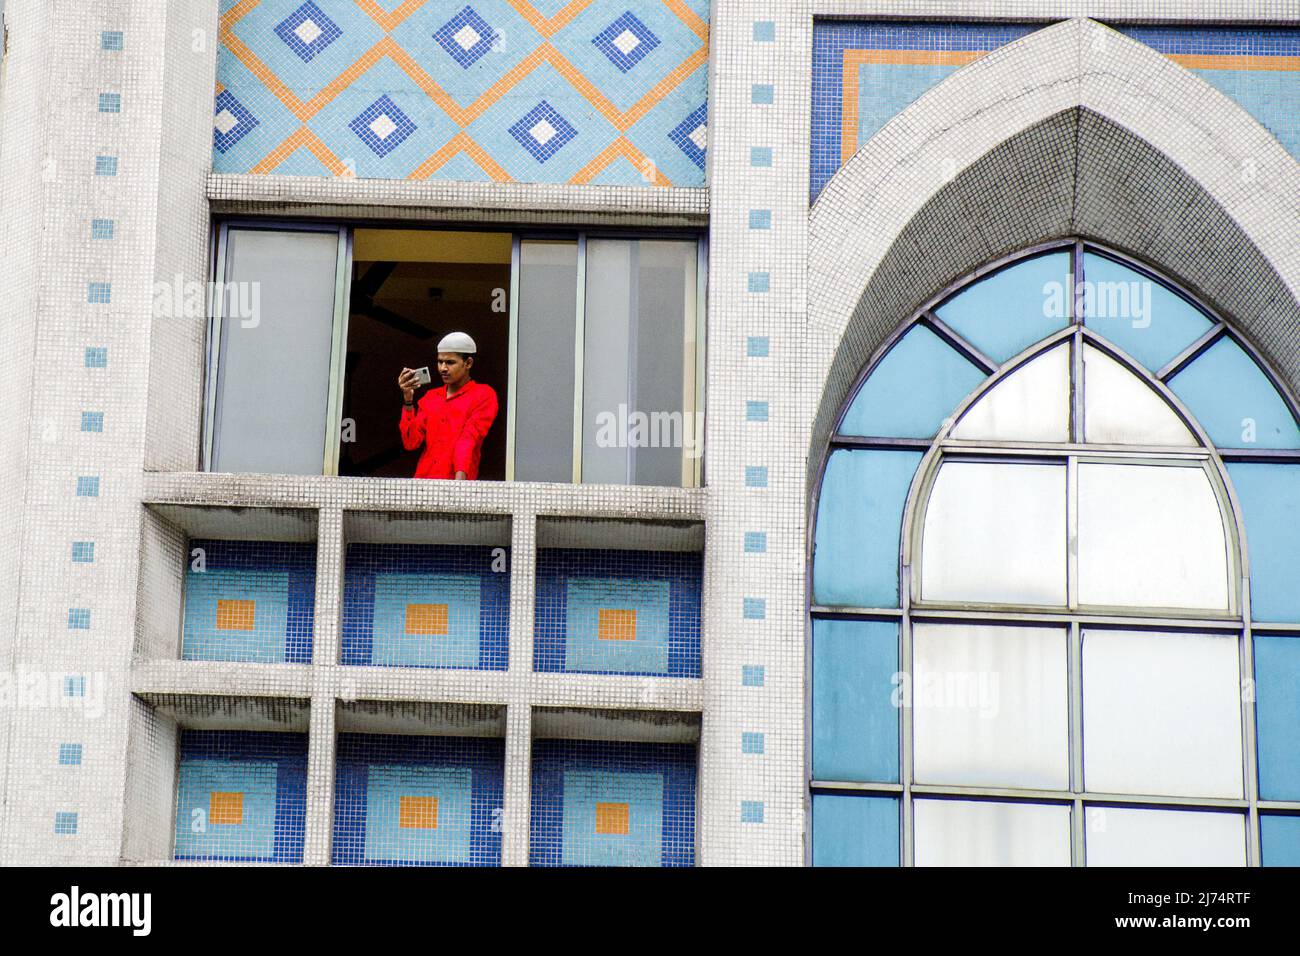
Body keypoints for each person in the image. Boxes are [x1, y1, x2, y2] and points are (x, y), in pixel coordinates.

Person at [397, 332, 499, 480]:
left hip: (456, 482)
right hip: (423, 483)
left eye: (450, 362)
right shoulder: (430, 397)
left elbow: (469, 438)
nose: (443, 368)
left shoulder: (483, 395)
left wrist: (458, 485)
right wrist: (408, 400)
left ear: (468, 363)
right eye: (440, 362)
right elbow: (411, 443)